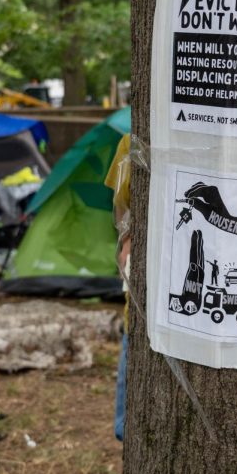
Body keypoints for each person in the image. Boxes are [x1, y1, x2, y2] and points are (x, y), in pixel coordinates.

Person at [104, 133, 132, 441]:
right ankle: (125, 428)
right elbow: (121, 207)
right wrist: (125, 240)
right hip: (136, 306)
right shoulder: (130, 142)